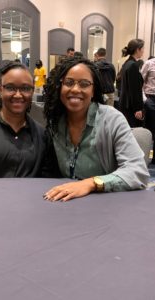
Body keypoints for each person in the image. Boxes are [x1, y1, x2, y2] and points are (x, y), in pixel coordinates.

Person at [43, 57, 149, 202]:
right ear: (59, 87)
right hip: (67, 203)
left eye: (84, 84)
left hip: (107, 202)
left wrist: (90, 183)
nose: (75, 89)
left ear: (93, 91)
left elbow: (138, 171)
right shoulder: (55, 121)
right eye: (68, 82)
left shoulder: (112, 119)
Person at [119, 39, 145, 127]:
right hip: (131, 107)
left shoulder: (127, 63)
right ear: (138, 49)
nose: (143, 51)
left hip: (125, 103)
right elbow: (134, 90)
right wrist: (138, 109)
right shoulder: (133, 65)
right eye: (142, 49)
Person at [141, 56, 155, 164]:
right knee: (150, 129)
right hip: (151, 98)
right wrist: (145, 100)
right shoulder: (149, 63)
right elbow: (140, 83)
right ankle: (146, 157)